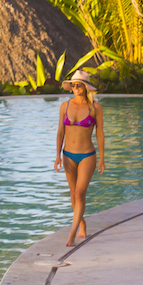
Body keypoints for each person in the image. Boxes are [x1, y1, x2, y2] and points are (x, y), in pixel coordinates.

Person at [53, 70, 104, 246]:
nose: (75, 88)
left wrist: (102, 158)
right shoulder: (65, 106)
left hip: (87, 155)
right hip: (68, 155)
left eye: (78, 85)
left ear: (85, 87)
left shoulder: (95, 108)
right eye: (73, 85)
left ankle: (72, 234)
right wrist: (57, 156)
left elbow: (100, 134)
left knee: (80, 193)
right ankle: (82, 223)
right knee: (73, 195)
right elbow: (60, 132)